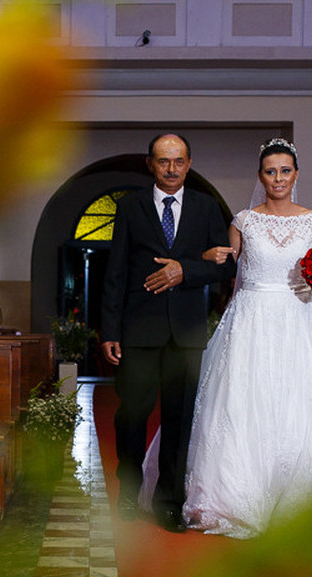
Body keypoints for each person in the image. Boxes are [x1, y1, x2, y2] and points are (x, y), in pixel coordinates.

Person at [158, 138, 312, 537]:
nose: (278, 178)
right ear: (260, 177)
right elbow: (231, 273)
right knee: (245, 402)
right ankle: (234, 497)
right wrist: (207, 261)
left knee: (306, 401)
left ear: (296, 175)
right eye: (270, 171)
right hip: (251, 317)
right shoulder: (244, 220)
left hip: (299, 317)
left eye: (285, 170)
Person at [100, 133, 235, 532]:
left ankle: (170, 503)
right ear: (150, 164)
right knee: (132, 414)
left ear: (189, 162)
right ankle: (128, 493)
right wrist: (109, 329)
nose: (171, 169)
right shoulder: (130, 207)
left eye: (178, 161)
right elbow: (116, 272)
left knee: (179, 420)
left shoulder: (207, 207)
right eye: (163, 161)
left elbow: (226, 266)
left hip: (187, 333)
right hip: (138, 329)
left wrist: (185, 269)